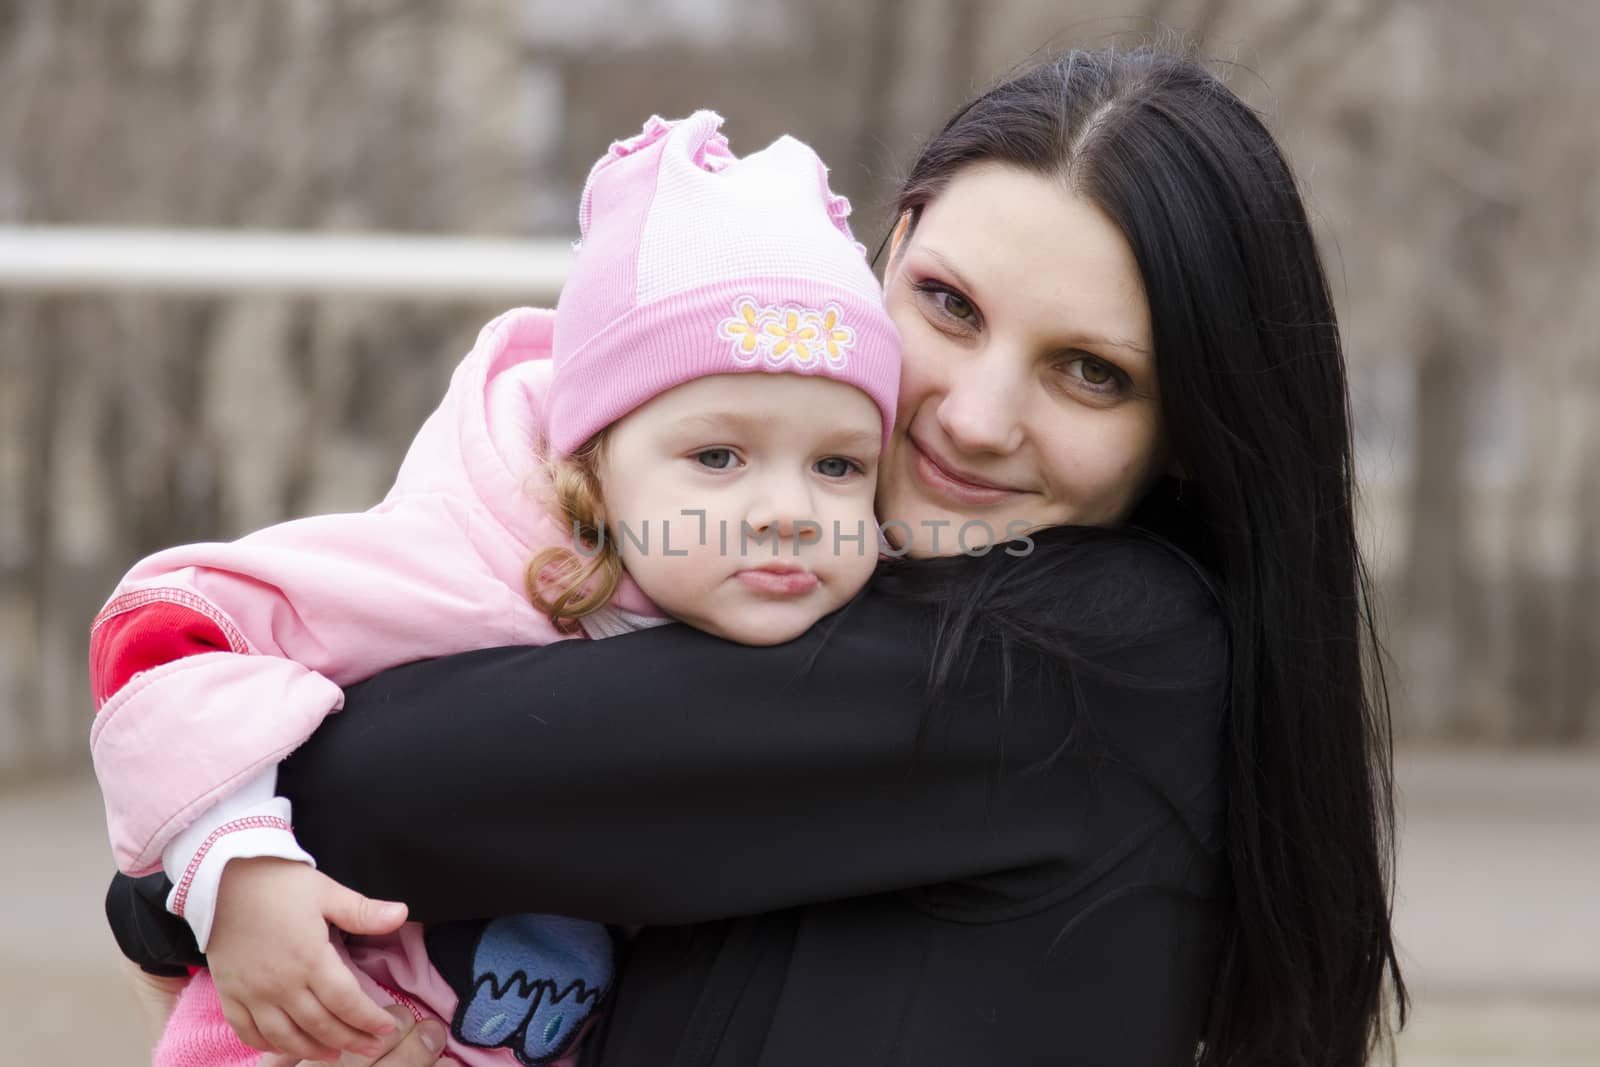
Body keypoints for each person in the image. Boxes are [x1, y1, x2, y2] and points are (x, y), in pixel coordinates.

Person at [110, 46, 1408, 1066]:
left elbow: (372, 787)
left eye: (1090, 370)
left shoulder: (1104, 647)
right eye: (948, 304)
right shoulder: (790, 586)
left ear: (1189, 430)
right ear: (881, 258)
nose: (971, 413)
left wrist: (201, 865)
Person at [89, 111, 901, 1067]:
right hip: (312, 1027)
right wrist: (238, 863)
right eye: (718, 454)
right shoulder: (463, 555)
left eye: (840, 466)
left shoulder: (864, 654)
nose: (787, 509)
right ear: (593, 463)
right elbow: (167, 631)